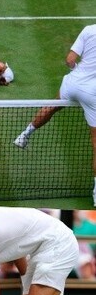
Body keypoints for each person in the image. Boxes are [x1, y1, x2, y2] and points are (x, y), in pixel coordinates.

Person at [13, 25, 96, 203]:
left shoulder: (89, 30)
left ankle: (24, 134)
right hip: (92, 92)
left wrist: (77, 72)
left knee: (52, 106)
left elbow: (70, 59)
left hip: (73, 83)